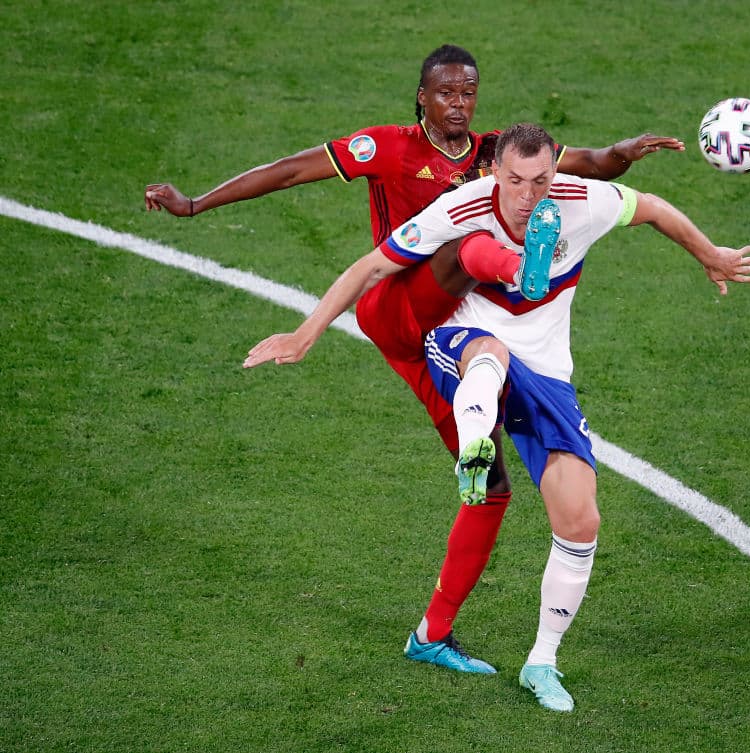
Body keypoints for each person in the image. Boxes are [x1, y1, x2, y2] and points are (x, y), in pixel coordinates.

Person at [147, 44, 686, 674]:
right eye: (445, 94)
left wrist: (623, 153)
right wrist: (196, 205)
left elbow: (586, 166)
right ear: (422, 97)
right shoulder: (389, 148)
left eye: (468, 94)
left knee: (488, 491)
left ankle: (432, 633)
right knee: (473, 241)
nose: (458, 105)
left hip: (439, 342)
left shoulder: (499, 156)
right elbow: (290, 172)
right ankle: (522, 270)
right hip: (395, 305)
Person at [246, 122, 750, 710]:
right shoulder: (460, 206)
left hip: (546, 372)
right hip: (465, 342)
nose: (527, 194)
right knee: (488, 356)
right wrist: (305, 333)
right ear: (495, 172)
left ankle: (542, 663)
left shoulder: (581, 202)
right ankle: (477, 442)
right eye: (515, 180)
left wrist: (712, 254)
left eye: (540, 179)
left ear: (554, 173)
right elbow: (371, 267)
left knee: (581, 520)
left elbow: (651, 207)